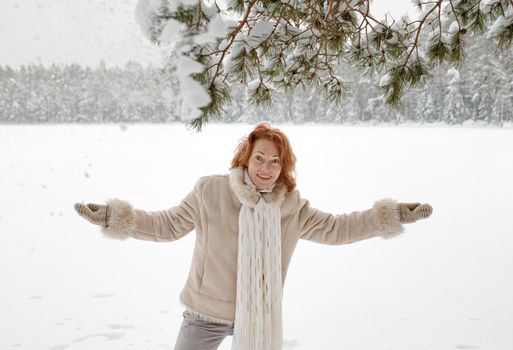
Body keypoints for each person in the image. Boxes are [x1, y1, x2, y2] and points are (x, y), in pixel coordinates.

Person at [74, 123, 433, 350]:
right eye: (259, 158)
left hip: (259, 320)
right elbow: (166, 226)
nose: (266, 168)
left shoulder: (290, 207)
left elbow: (338, 229)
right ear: (245, 159)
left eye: (275, 161)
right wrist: (114, 217)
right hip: (204, 315)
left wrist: (391, 215)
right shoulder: (210, 191)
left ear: (283, 167)